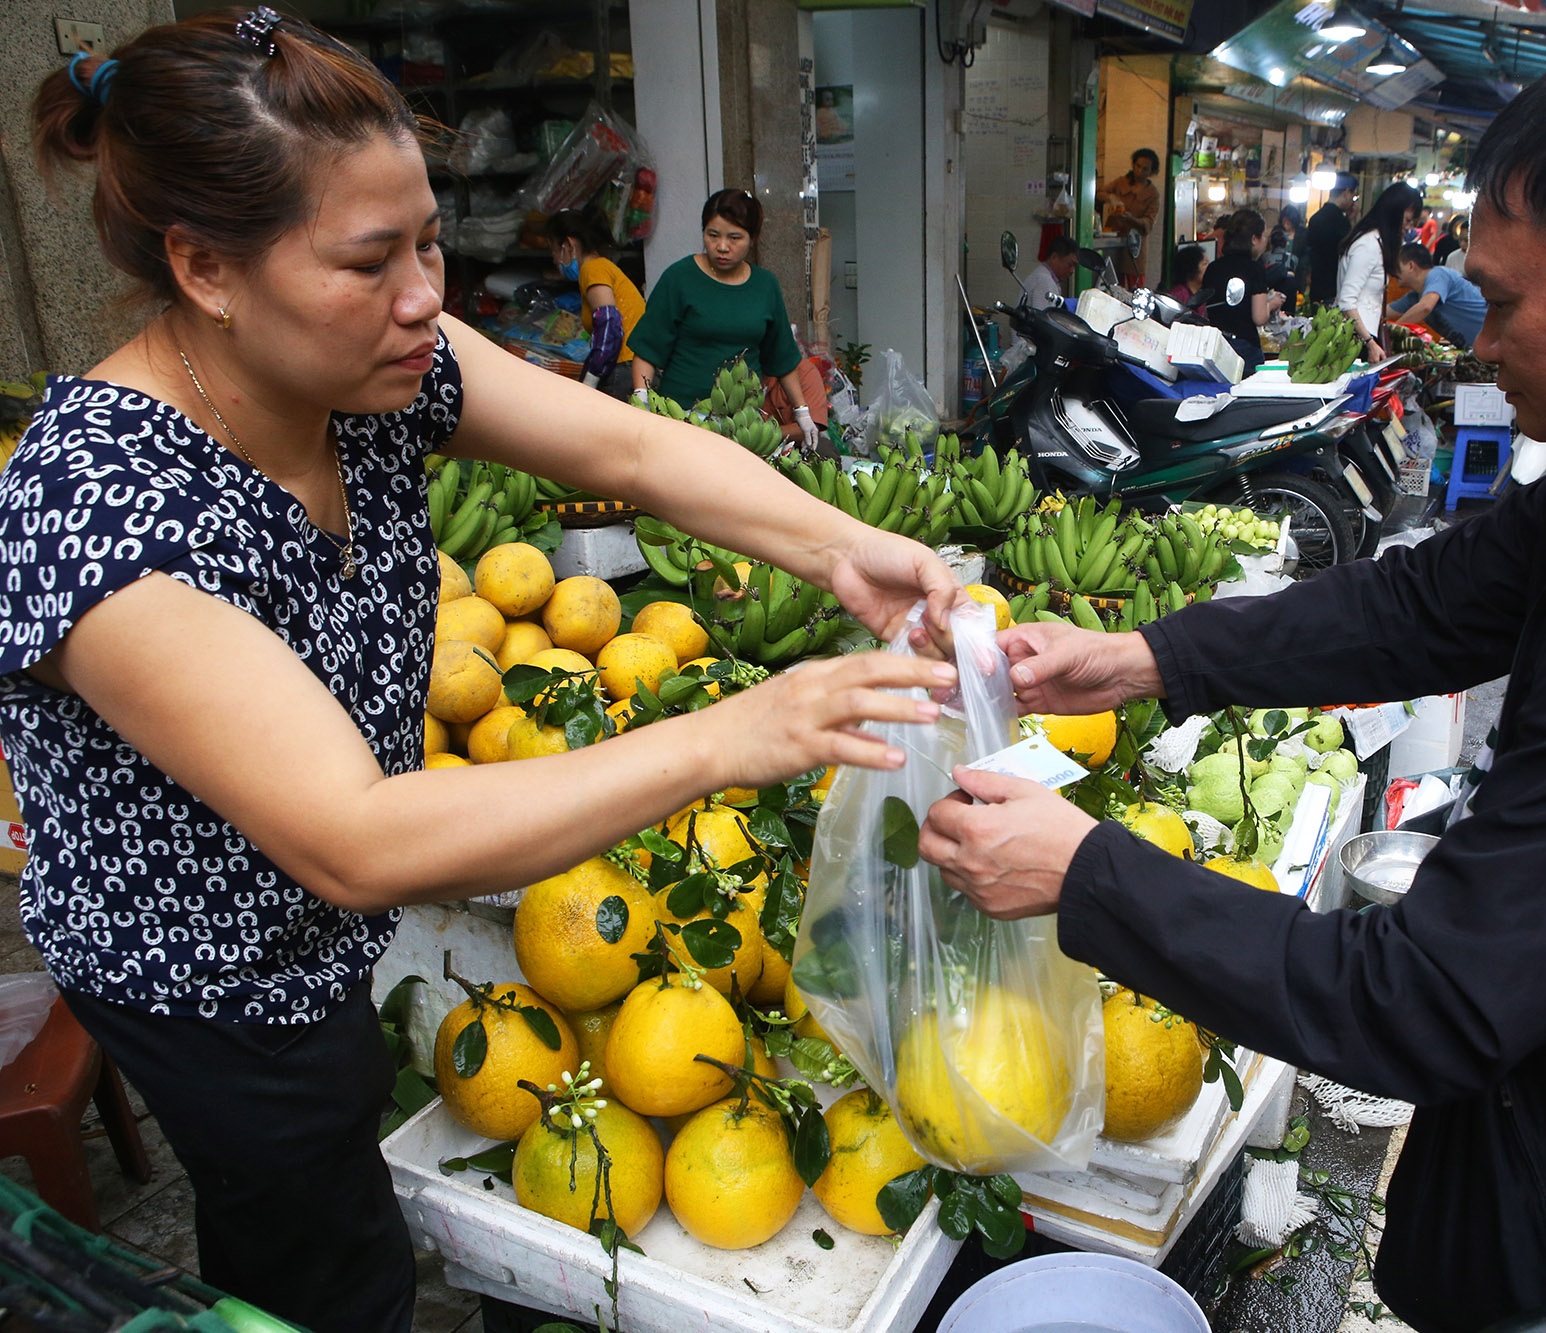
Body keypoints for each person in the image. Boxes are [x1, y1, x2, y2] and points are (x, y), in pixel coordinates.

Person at [916, 31, 1546, 1333]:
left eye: (1504, 304)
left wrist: (1088, 873)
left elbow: (1429, 996)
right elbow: (1438, 598)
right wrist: (1145, 660)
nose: (1480, 343)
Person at [13, 12, 961, 1329]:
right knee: (320, 1242)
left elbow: (631, 454)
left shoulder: (382, 369)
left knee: (325, 1152)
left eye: (427, 242)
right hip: (207, 965)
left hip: (324, 925)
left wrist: (847, 550)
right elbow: (355, 837)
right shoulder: (99, 511)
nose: (424, 298)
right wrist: (738, 733)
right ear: (206, 267)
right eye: (368, 259)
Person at [627, 188, 820, 451]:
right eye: (712, 235)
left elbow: (782, 357)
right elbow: (648, 349)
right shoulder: (679, 278)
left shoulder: (765, 285)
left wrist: (802, 412)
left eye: (735, 237)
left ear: (753, 238)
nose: (722, 247)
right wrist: (642, 400)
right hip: (682, 416)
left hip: (743, 420)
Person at [545, 207, 644, 400]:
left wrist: (591, 378)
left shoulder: (592, 269)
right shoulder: (604, 266)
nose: (555, 260)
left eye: (554, 251)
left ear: (568, 244)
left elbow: (609, 322)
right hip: (633, 365)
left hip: (623, 368)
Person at [1336, 181, 1424, 360]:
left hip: (1361, 336)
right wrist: (1369, 343)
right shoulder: (1368, 245)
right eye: (1407, 220)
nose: (1408, 228)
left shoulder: (1376, 243)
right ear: (1394, 212)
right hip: (1355, 340)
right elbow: (1346, 301)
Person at [1201, 210, 1282, 367]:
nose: (1266, 241)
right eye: (1263, 236)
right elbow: (1259, 317)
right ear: (1253, 239)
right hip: (1245, 349)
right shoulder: (1255, 269)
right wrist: (1272, 304)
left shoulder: (1213, 268)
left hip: (1214, 346)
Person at [1388, 243, 1488, 347]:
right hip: (1475, 349)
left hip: (1494, 335)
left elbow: (1425, 307)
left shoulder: (1438, 274)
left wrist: (1391, 332)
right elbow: (1382, 313)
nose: (1392, 272)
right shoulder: (1415, 297)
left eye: (1396, 266)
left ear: (1410, 266)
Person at [1098, 148, 1160, 286]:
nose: (1140, 171)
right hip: (1113, 240)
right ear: (1133, 165)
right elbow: (1098, 192)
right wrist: (1111, 197)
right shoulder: (1121, 182)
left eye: (1145, 169)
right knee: (1111, 281)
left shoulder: (1152, 193)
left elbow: (1149, 223)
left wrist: (1131, 218)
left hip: (1135, 244)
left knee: (1135, 285)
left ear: (1151, 171)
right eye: (1138, 166)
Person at [1306, 172, 1359, 305]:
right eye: (1353, 195)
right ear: (1347, 192)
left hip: (1316, 286)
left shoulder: (1315, 219)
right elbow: (1351, 250)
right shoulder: (1341, 222)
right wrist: (1351, 221)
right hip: (1335, 288)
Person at [1020, 235, 1081, 309]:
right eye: (1070, 264)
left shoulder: (1044, 277)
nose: (1072, 271)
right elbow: (1042, 317)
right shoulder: (1044, 281)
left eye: (1075, 267)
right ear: (1054, 257)